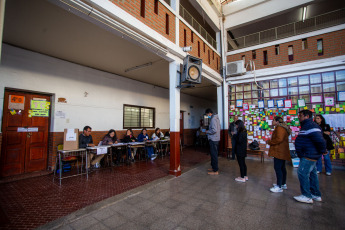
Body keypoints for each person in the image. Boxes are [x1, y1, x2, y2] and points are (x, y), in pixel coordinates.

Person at [294, 110, 326, 204]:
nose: (299, 117)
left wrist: (322, 151)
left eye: (300, 116)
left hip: (309, 154)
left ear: (306, 116)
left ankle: (306, 195)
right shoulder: (307, 125)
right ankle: (315, 194)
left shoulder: (311, 126)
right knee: (312, 174)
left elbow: (320, 141)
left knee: (302, 173)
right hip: (309, 154)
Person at [267, 116, 292, 192]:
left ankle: (279, 186)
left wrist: (269, 142)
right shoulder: (282, 128)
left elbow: (279, 139)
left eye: (273, 120)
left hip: (279, 151)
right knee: (282, 168)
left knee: (278, 168)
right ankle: (282, 184)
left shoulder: (280, 128)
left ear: (277, 121)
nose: (272, 121)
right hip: (281, 151)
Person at [205, 108, 221, 175]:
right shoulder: (216, 118)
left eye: (207, 114)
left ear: (209, 113)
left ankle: (215, 170)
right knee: (213, 154)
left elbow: (214, 130)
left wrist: (207, 131)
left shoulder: (213, 119)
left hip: (213, 139)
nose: (207, 116)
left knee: (214, 154)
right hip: (216, 138)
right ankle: (214, 167)